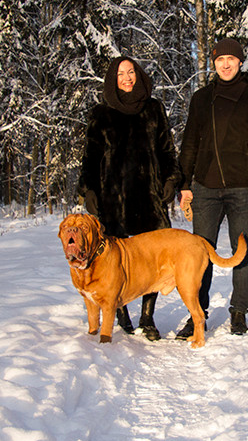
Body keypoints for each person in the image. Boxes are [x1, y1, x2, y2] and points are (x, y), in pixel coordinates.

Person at [176, 37, 248, 338]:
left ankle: (239, 312)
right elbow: (190, 144)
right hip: (205, 188)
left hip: (243, 187)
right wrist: (185, 184)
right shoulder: (201, 98)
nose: (225, 64)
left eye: (231, 59)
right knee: (199, 254)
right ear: (214, 62)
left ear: (239, 61)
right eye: (220, 59)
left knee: (242, 249)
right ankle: (198, 315)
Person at [77, 56, 180, 341]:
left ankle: (147, 316)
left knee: (152, 259)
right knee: (113, 259)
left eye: (131, 72)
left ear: (138, 75)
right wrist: (88, 190)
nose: (126, 77)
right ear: (113, 78)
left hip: (149, 196)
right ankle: (121, 313)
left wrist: (171, 179)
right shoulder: (101, 113)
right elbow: (91, 156)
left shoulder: (154, 109)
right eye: (121, 73)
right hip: (113, 198)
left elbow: (167, 150)